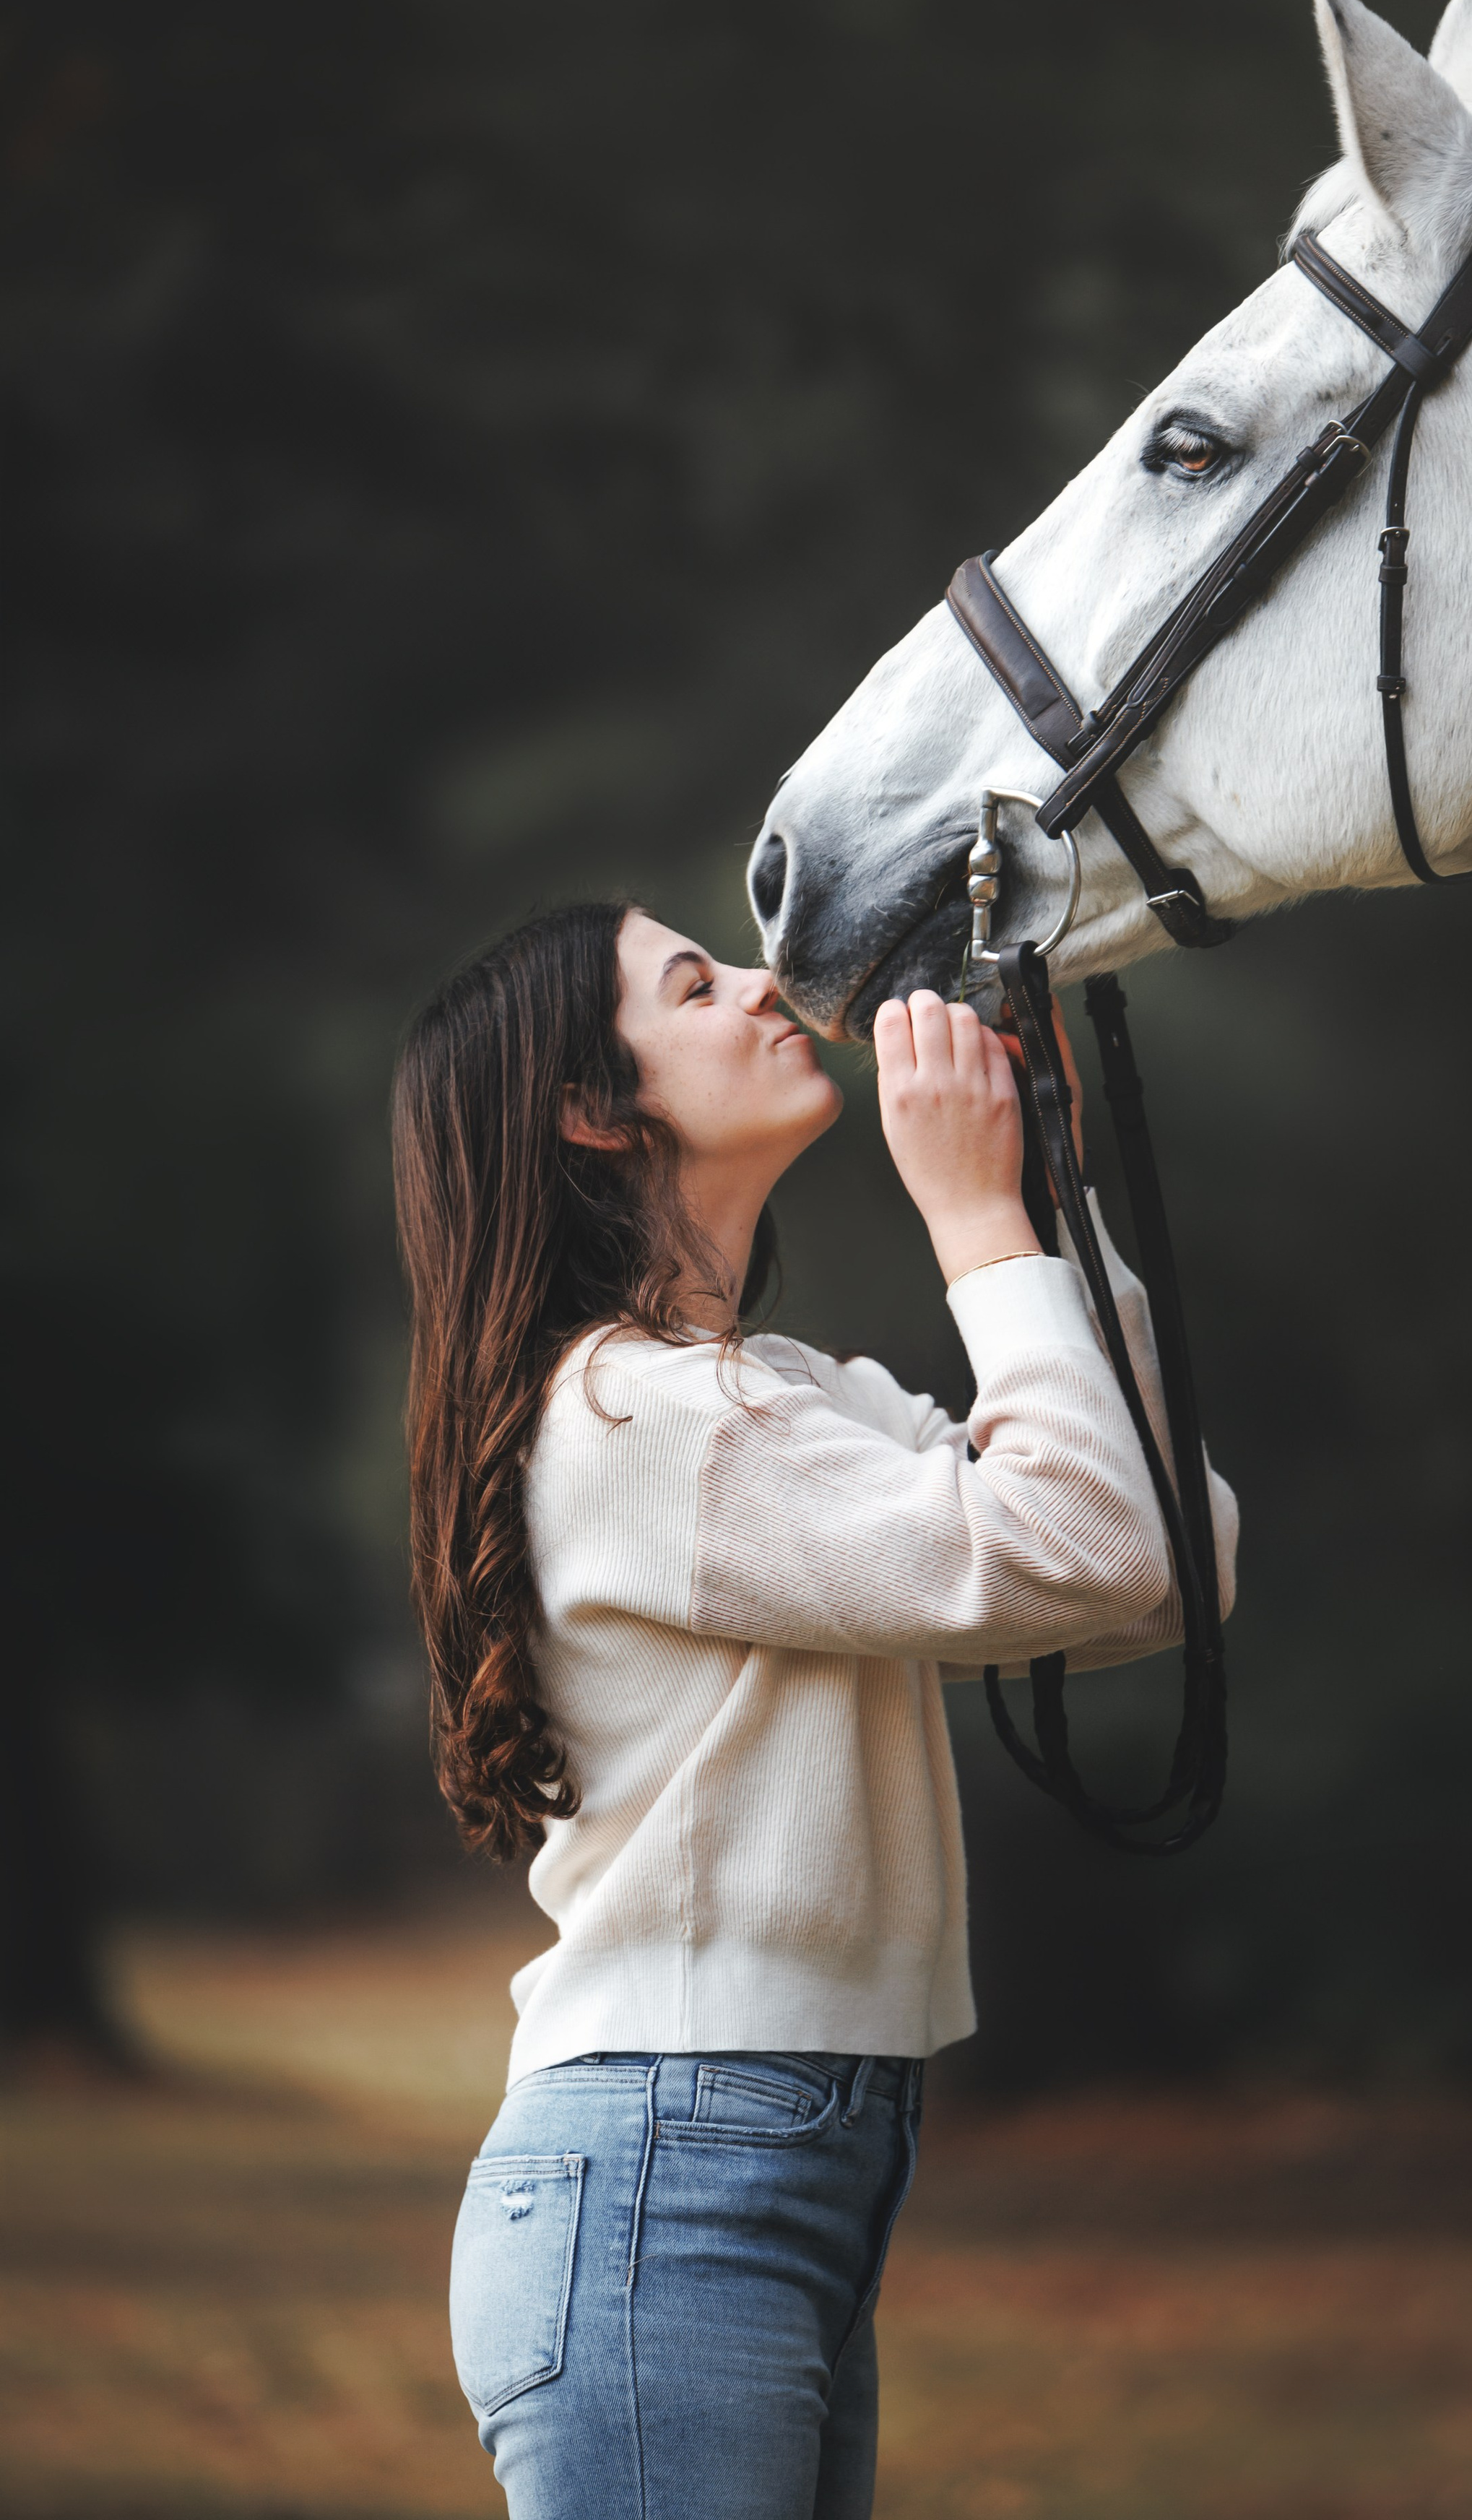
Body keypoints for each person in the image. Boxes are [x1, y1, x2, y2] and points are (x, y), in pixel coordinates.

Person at [390, 896, 1237, 2520]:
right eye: (697, 986)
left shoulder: (785, 1402)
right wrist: (974, 1223)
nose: (771, 986)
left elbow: (1164, 1562)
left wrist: (1045, 1203)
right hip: (672, 2182)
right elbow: (1090, 1541)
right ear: (592, 1107)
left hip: (752, 2166)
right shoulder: (637, 1416)